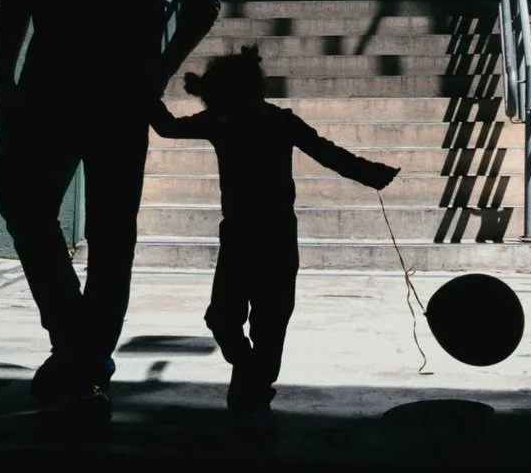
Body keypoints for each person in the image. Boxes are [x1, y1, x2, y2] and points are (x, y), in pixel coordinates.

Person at [0, 0, 220, 422]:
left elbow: (204, 0)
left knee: (102, 227)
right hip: (63, 79)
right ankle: (82, 349)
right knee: (29, 203)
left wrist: (154, 77)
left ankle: (83, 355)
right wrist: (4, 77)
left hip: (106, 85)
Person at [151, 47, 399, 434]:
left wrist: (144, 92)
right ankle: (254, 386)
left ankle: (249, 387)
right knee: (267, 321)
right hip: (275, 235)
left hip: (244, 234)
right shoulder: (268, 120)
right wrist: (372, 174)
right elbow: (327, 154)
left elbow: (166, 127)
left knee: (229, 317)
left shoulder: (220, 121)